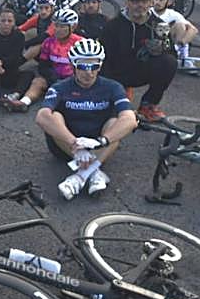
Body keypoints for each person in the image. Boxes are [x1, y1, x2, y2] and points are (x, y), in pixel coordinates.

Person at [35, 38, 137, 200]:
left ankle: (81, 176)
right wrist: (75, 144)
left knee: (116, 123)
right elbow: (42, 116)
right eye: (82, 66)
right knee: (55, 116)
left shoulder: (113, 87)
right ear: (73, 66)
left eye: (94, 66)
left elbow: (130, 119)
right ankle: (94, 171)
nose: (89, 72)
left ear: (100, 66)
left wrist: (101, 142)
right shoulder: (59, 87)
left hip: (98, 145)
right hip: (67, 146)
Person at [100, 0, 177, 122]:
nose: (140, 5)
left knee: (169, 62)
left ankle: (149, 104)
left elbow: (172, 53)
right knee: (110, 115)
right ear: (127, 3)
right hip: (116, 73)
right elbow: (102, 57)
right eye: (136, 1)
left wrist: (160, 50)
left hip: (142, 70)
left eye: (145, 1)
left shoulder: (159, 26)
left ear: (151, 3)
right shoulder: (113, 25)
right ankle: (114, 95)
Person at [18, 8, 83, 106]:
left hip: (74, 80)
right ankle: (24, 102)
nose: (57, 30)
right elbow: (42, 66)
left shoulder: (80, 43)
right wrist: (51, 76)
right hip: (54, 78)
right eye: (56, 26)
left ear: (73, 27)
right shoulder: (48, 42)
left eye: (62, 27)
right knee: (38, 81)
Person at [0, 7, 35, 110]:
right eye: (3, 20)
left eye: (9, 21)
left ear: (14, 23)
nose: (6, 24)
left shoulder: (19, 36)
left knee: (29, 75)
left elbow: (17, 58)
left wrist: (1, 63)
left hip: (10, 71)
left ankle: (14, 96)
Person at [150, 0, 199, 73]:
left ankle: (183, 58)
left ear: (170, 2)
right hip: (149, 42)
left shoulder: (173, 14)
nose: (157, 2)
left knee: (180, 26)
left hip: (167, 44)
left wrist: (182, 42)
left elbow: (193, 30)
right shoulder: (148, 10)